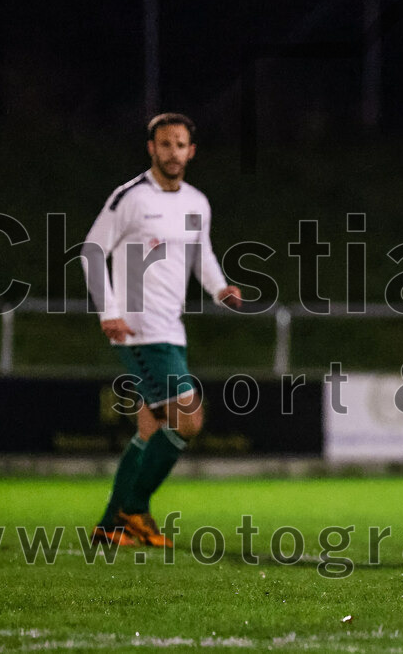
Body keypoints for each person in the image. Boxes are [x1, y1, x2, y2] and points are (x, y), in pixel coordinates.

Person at [81, 113, 242, 546]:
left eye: (181, 144)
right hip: (137, 328)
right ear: (152, 149)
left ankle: (111, 525)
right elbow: (92, 251)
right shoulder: (130, 198)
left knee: (151, 430)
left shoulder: (195, 202)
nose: (173, 152)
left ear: (192, 151)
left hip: (170, 327)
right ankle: (131, 509)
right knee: (188, 419)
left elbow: (200, 253)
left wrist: (219, 287)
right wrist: (108, 311)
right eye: (165, 144)